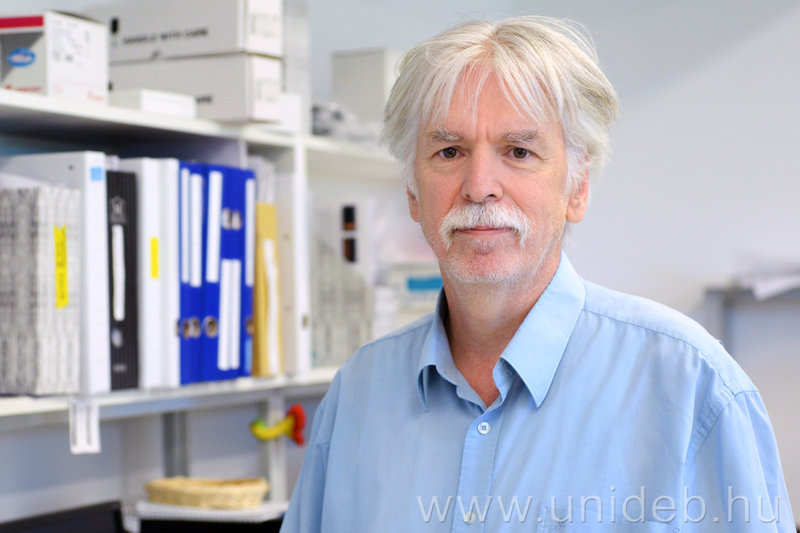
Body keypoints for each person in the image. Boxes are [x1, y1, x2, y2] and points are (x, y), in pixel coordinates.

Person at [281, 16, 794, 532]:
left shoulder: (692, 387)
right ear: (413, 192)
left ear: (577, 189)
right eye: (449, 151)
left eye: (519, 151)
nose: (479, 185)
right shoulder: (356, 396)